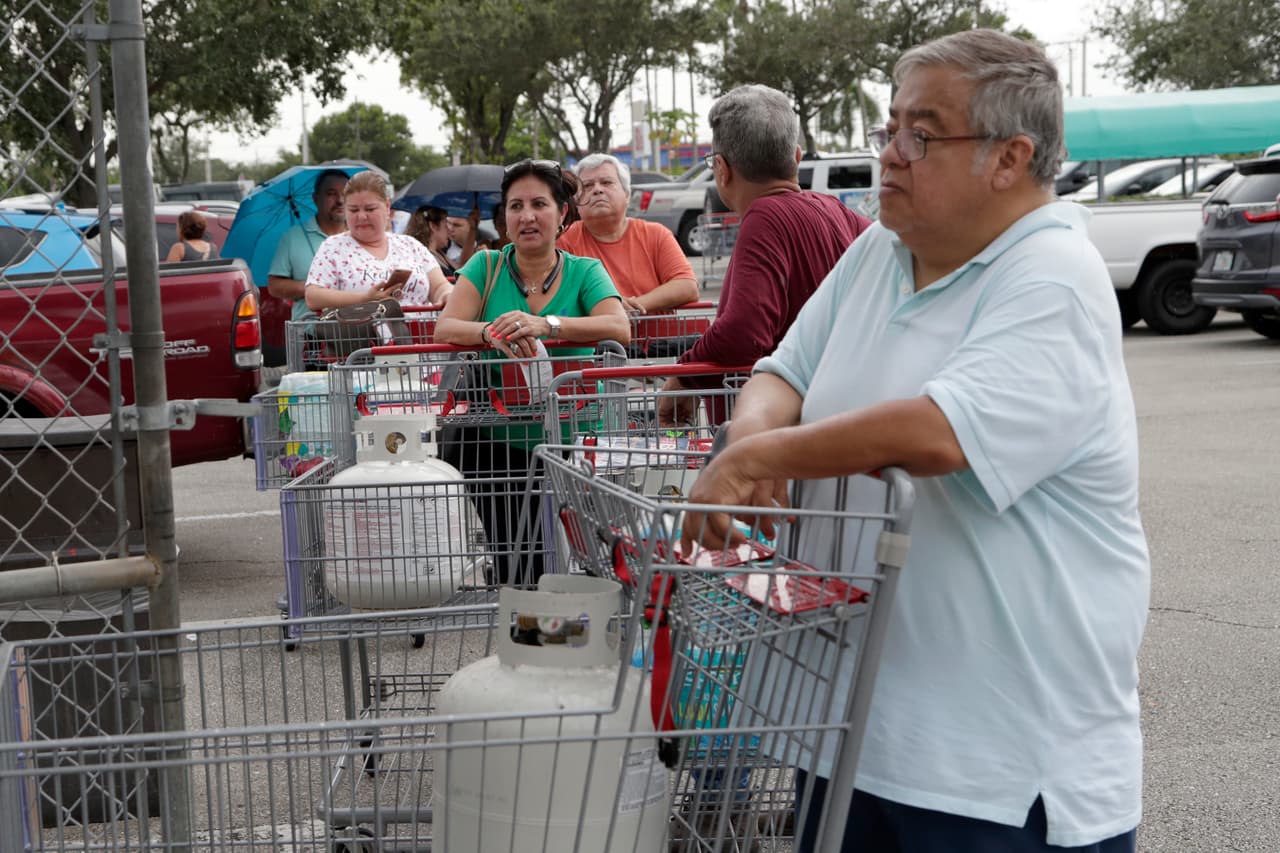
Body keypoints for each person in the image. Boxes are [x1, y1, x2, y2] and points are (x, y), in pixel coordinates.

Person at [684, 30, 1148, 853]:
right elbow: (782, 370)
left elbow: (939, 432)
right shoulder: (879, 250)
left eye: (921, 135)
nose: (891, 155)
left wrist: (758, 458)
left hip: (994, 775)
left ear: (1010, 157)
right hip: (849, 730)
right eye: (889, 128)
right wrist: (751, 430)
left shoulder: (1052, 278)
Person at [434, 158, 630, 584]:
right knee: (520, 566)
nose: (527, 216)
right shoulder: (484, 267)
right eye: (515, 205)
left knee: (591, 564)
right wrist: (488, 332)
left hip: (574, 441)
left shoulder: (585, 271)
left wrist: (549, 325)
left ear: (562, 214)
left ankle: (577, 642)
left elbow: (619, 327)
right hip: (499, 445)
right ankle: (528, 642)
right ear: (503, 218)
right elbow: (447, 326)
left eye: (539, 203)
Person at [658, 84, 871, 424]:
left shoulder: (765, 218)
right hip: (834, 411)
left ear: (721, 169)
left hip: (781, 434)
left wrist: (685, 374)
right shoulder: (838, 211)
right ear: (797, 158)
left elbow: (744, 331)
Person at [559, 152, 698, 315]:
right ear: (576, 201)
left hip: (659, 338)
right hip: (595, 339)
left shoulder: (656, 234)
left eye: (606, 182)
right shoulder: (564, 240)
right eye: (588, 185)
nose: (597, 190)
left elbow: (687, 286)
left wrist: (634, 306)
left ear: (627, 195)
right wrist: (613, 309)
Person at [305, 170, 452, 310]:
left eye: (370, 209)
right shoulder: (333, 247)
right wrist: (364, 299)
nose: (362, 216)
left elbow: (439, 286)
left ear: (387, 206)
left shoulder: (410, 245)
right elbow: (313, 296)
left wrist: (447, 295)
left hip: (419, 333)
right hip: (358, 335)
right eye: (353, 210)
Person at [268, 168, 350, 324]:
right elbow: (274, 286)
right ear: (316, 198)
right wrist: (313, 290)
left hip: (354, 330)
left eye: (345, 194)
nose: (340, 200)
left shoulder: (360, 237)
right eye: (331, 194)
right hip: (309, 333)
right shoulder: (293, 238)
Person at [404, 205, 457, 278]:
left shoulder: (439, 253)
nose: (449, 230)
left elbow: (460, 270)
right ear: (433, 226)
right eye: (445, 225)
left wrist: (472, 230)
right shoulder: (422, 257)